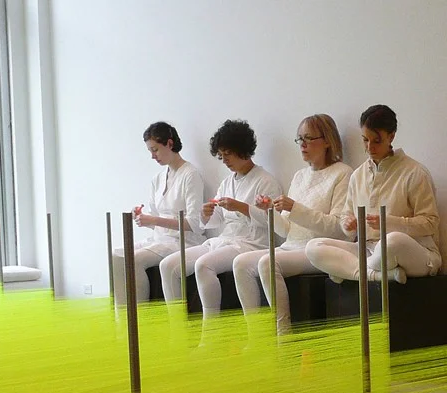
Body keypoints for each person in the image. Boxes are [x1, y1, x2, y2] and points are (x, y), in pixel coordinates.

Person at [232, 114, 352, 334]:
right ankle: (256, 335)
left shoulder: (342, 173)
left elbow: (337, 228)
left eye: (309, 138)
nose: (303, 145)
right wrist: (270, 210)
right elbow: (287, 229)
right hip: (291, 246)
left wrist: (295, 208)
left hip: (319, 248)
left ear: (327, 141)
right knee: (240, 263)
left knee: (267, 263)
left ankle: (283, 335)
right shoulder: (299, 176)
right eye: (300, 139)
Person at [306, 104, 441, 287]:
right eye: (365, 140)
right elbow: (346, 216)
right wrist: (348, 224)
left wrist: (387, 223)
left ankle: (348, 271)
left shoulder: (415, 172)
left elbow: (430, 223)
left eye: (376, 141)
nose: (369, 147)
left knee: (392, 241)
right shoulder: (357, 175)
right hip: (369, 250)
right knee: (314, 247)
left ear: (391, 136)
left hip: (413, 251)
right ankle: (376, 275)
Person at [159, 119, 282, 317]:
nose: (224, 160)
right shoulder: (227, 183)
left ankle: (211, 326)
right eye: (221, 155)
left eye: (228, 154)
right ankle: (177, 326)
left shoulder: (266, 181)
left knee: (203, 265)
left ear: (242, 149)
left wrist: (241, 207)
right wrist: (206, 213)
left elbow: (273, 221)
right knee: (168, 265)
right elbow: (217, 219)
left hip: (251, 243)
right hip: (225, 239)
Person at [112, 121, 205, 306]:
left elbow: (194, 223)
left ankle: (140, 315)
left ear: (169, 143)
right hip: (160, 239)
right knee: (116, 256)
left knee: (135, 260)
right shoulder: (158, 178)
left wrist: (154, 219)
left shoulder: (190, 174)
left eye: (155, 150)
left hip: (182, 241)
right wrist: (143, 218)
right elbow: (155, 219)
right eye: (150, 151)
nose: (153, 156)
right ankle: (122, 316)